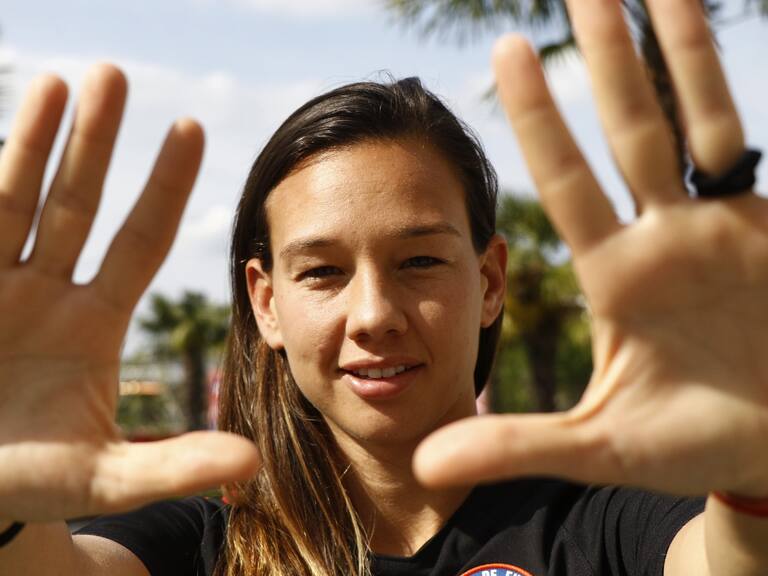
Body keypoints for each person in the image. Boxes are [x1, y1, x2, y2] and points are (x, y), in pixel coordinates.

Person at [1, 0, 767, 574]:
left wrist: (753, 477)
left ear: (490, 280)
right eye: (322, 272)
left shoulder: (605, 522)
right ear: (266, 302)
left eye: (419, 261)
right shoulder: (193, 548)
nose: (373, 315)